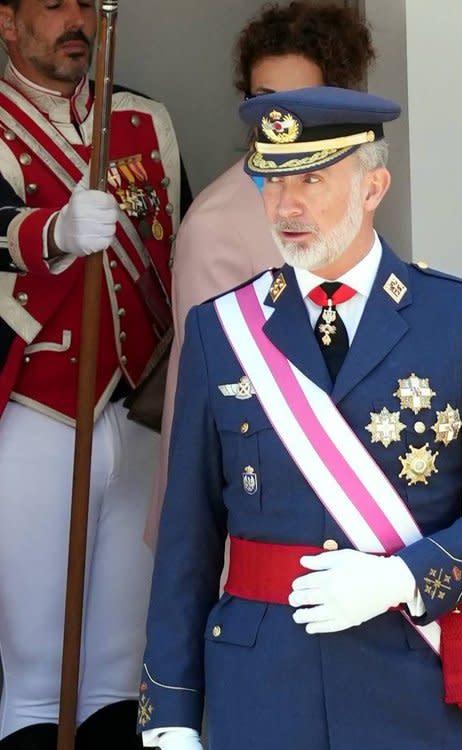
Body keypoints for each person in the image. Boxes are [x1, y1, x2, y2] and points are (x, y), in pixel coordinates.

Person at [139, 86, 462, 750]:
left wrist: (408, 575)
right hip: (259, 684)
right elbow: (187, 535)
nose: (286, 205)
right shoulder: (221, 329)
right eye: (272, 179)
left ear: (374, 187)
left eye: (312, 178)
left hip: (405, 678)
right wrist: (169, 707)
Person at [0, 0, 189, 748]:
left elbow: (186, 242)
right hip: (36, 414)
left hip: (139, 410)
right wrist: (48, 230)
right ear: (8, 21)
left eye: (85, 4)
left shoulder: (144, 121)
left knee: (119, 671)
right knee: (36, 672)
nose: (75, 19)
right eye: (53, 5)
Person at [146, 1, 375, 545]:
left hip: (346, 492)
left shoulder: (348, 197)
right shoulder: (217, 225)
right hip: (250, 510)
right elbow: (213, 397)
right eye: (264, 102)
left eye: (301, 103)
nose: (281, 123)